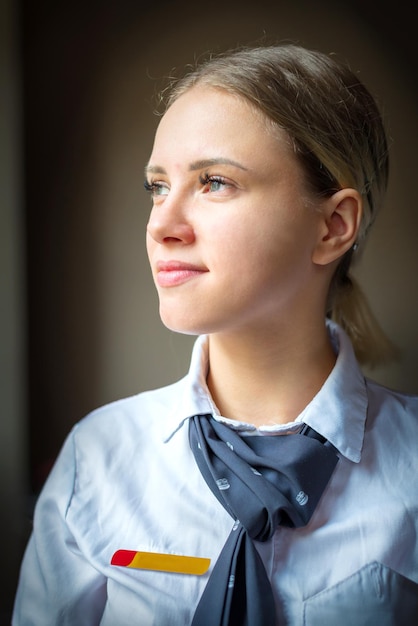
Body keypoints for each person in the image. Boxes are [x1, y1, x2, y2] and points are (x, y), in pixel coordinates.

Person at [13, 42, 418, 625]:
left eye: (215, 183)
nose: (162, 226)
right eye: (158, 187)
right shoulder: (96, 459)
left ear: (332, 226)